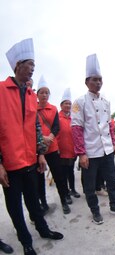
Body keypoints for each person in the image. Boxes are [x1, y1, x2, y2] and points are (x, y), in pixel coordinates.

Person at [0, 38, 63, 255]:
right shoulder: (0, 90)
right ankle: (25, 240)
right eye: (30, 66)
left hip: (30, 159)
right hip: (9, 164)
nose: (32, 70)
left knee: (34, 201)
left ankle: (43, 230)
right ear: (18, 65)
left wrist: (41, 153)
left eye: (34, 67)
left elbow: (35, 127)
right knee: (15, 206)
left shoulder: (30, 95)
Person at [71, 54, 115, 225]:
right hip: (90, 152)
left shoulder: (106, 102)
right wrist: (81, 153)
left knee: (112, 181)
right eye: (94, 80)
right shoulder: (79, 102)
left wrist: (114, 144)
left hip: (107, 150)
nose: (98, 83)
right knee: (90, 186)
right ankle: (95, 211)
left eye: (100, 80)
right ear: (86, 82)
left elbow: (109, 125)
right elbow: (76, 129)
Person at [36, 76, 71, 214]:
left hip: (52, 147)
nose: (44, 95)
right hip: (39, 149)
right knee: (39, 178)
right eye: (41, 92)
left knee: (59, 176)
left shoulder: (53, 108)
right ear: (37, 94)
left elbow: (56, 126)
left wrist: (50, 136)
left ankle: (63, 201)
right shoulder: (33, 108)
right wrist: (41, 138)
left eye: (46, 92)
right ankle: (43, 203)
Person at [57, 88, 81, 201]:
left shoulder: (73, 117)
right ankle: (65, 193)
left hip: (72, 150)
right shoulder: (57, 117)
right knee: (63, 173)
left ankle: (73, 189)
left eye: (69, 104)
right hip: (61, 150)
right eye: (66, 103)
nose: (68, 105)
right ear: (61, 105)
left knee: (71, 171)